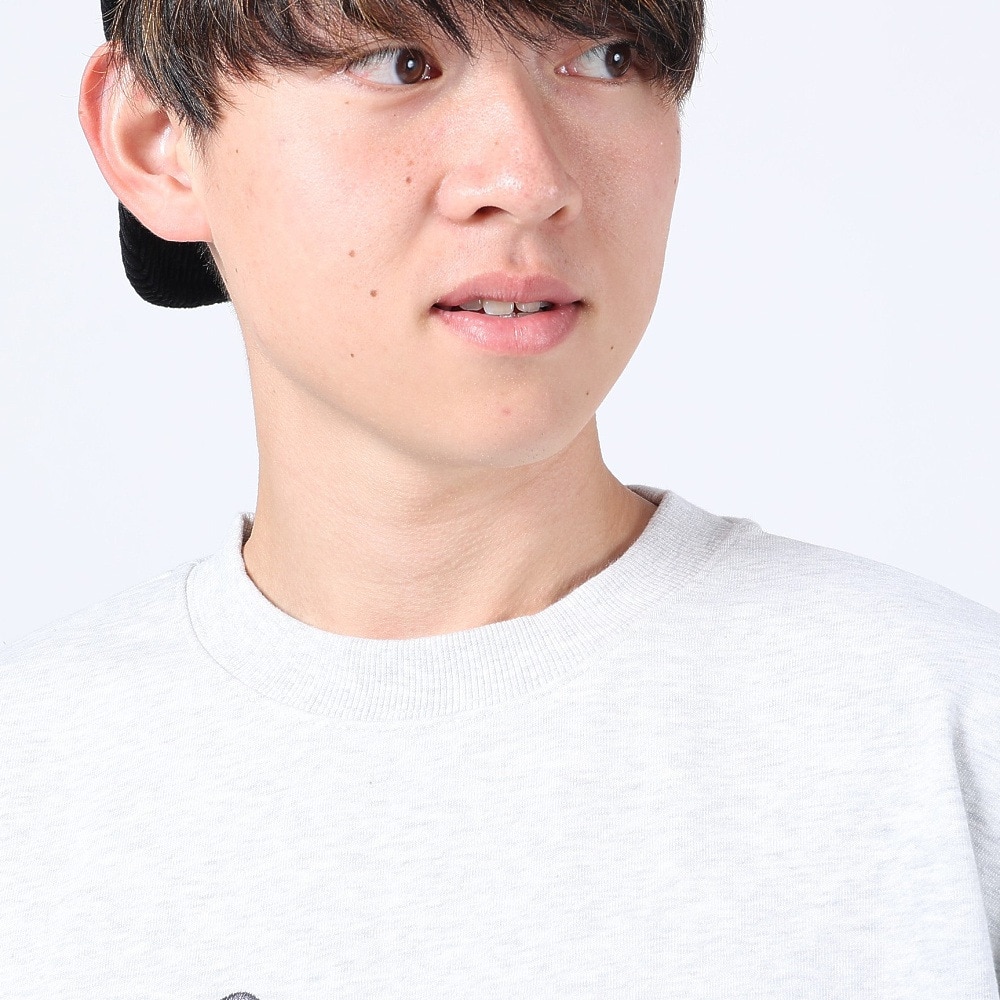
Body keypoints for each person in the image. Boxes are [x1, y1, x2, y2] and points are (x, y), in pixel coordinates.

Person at [1, 0, 997, 996]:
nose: (529, 179)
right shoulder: (34, 788)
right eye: (398, 63)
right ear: (158, 140)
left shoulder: (946, 733)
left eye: (605, 57)